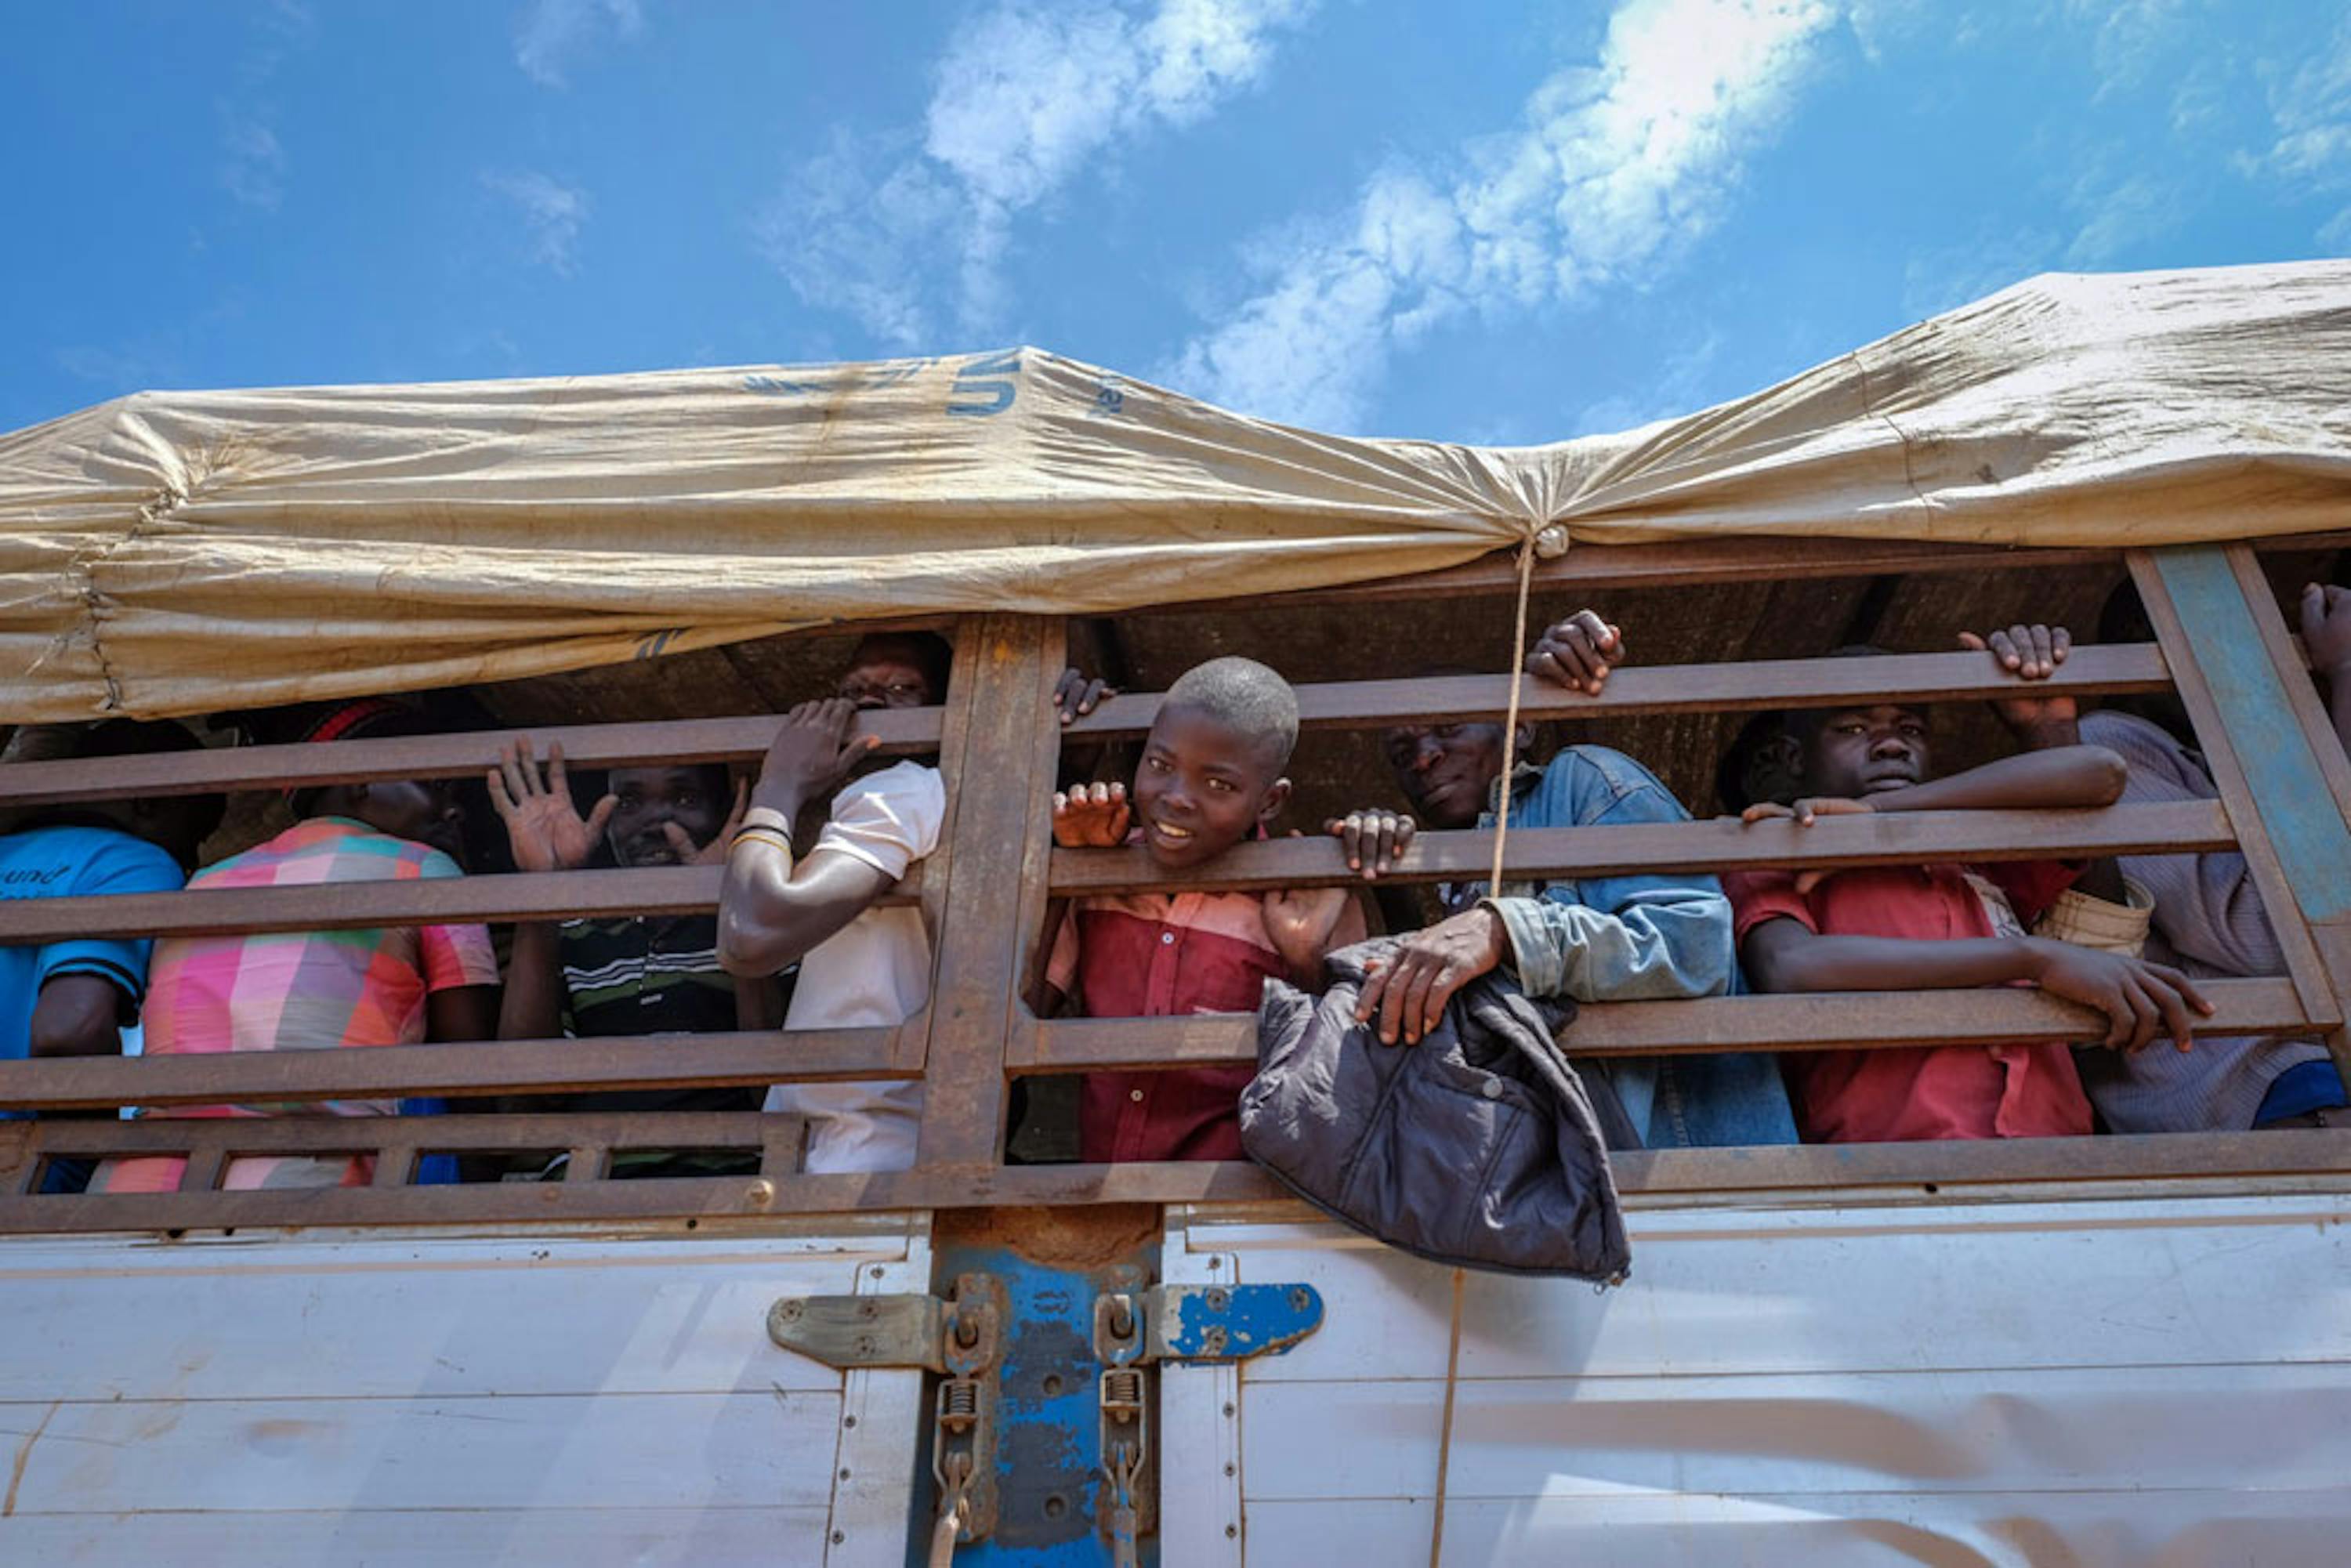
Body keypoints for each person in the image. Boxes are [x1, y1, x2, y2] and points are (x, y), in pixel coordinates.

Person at [1722, 628, 2213, 1144]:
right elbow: (1791, 966)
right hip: (1892, 1159)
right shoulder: (1776, 846)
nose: (1891, 742)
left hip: (2057, 1155)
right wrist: (2031, 959)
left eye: (1911, 728)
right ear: (1795, 759)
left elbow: (2100, 772)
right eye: (1851, 726)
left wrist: (1877, 814)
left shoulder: (1972, 849)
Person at [1341, 611, 1797, 1149]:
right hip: (1543, 1185)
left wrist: (1508, 931)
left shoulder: (1584, 778)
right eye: (1402, 753)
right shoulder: (1442, 876)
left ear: (1522, 727)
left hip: (1677, 1176)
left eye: (1448, 727)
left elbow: (1692, 946)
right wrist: (1378, 872)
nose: (1425, 756)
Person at [89, 699, 501, 1193]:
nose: (452, 809)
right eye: (436, 786)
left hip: (139, 1185)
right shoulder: (421, 868)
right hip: (314, 1185)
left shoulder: (205, 882)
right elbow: (471, 1062)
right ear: (360, 779)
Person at [1039, 655, 1384, 1164]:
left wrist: (1305, 957)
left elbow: (1353, 1079)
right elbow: (1023, 1009)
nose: (1177, 797)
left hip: (1234, 1196)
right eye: (1159, 765)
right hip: (1100, 1183)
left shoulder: (1305, 893)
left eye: (1219, 784)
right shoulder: (1100, 872)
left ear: (1270, 802)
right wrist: (1064, 869)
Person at [2070, 581, 2349, 1132]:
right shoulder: (2110, 747)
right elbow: (2280, 936)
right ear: (2139, 642)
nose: (2249, 661)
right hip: (2261, 1089)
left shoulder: (2224, 761)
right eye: (2229, 637)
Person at [716, 632, 955, 1175]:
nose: (868, 704)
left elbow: (748, 935)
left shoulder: (904, 788)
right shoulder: (861, 812)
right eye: (853, 690)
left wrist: (779, 781)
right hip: (836, 1144)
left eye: (901, 688)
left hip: (863, 1149)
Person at [488, 740, 781, 1177]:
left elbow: (773, 1093)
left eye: (685, 798)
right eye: (629, 802)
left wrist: (730, 907)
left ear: (725, 813)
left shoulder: (769, 927)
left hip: (724, 1182)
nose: (656, 822)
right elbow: (520, 1098)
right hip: (585, 1185)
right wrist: (544, 890)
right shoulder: (578, 933)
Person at [2, 720, 221, 1070]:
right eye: (196, 832)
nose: (192, 860)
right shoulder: (132, 861)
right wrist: (84, 1126)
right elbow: (71, 1030)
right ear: (146, 803)